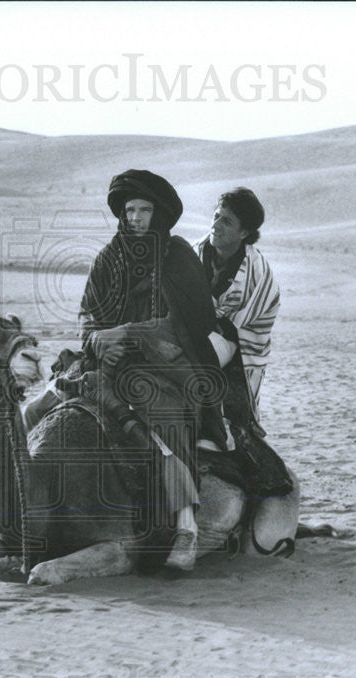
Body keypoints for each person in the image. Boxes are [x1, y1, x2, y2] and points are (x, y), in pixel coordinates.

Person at [79, 170, 227, 571]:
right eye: (130, 210)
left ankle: (186, 526)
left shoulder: (177, 256)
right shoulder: (109, 258)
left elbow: (189, 322)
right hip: (111, 364)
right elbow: (88, 315)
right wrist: (97, 342)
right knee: (53, 403)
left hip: (170, 364)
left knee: (162, 416)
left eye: (144, 210)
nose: (136, 218)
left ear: (158, 214)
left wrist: (126, 334)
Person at [193, 188, 279, 430]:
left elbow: (238, 325)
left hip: (238, 346)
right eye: (216, 216)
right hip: (195, 333)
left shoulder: (258, 273)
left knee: (235, 417)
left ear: (244, 233)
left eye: (227, 221)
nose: (216, 225)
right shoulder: (193, 253)